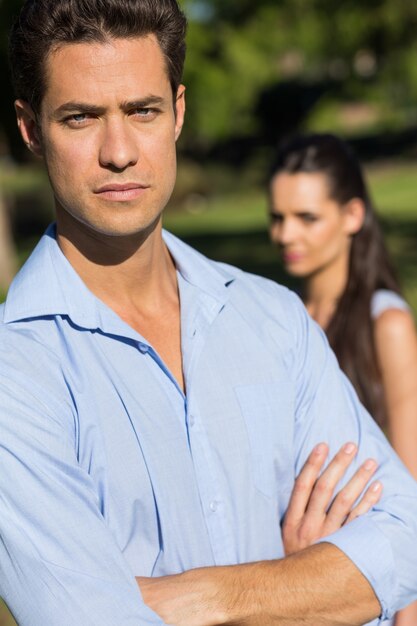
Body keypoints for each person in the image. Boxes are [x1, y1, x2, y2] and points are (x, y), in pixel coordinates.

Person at [1, 1, 417, 624]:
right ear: (32, 130)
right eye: (81, 118)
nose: (119, 152)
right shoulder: (16, 376)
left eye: (142, 111)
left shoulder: (275, 319)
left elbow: (403, 538)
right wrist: (308, 590)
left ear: (178, 112)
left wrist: (215, 597)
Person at [268, 132, 417, 626]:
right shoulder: (281, 322)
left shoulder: (386, 324)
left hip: (366, 584)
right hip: (290, 569)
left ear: (352, 216)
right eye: (278, 218)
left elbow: (410, 487)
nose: (286, 235)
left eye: (306, 218)